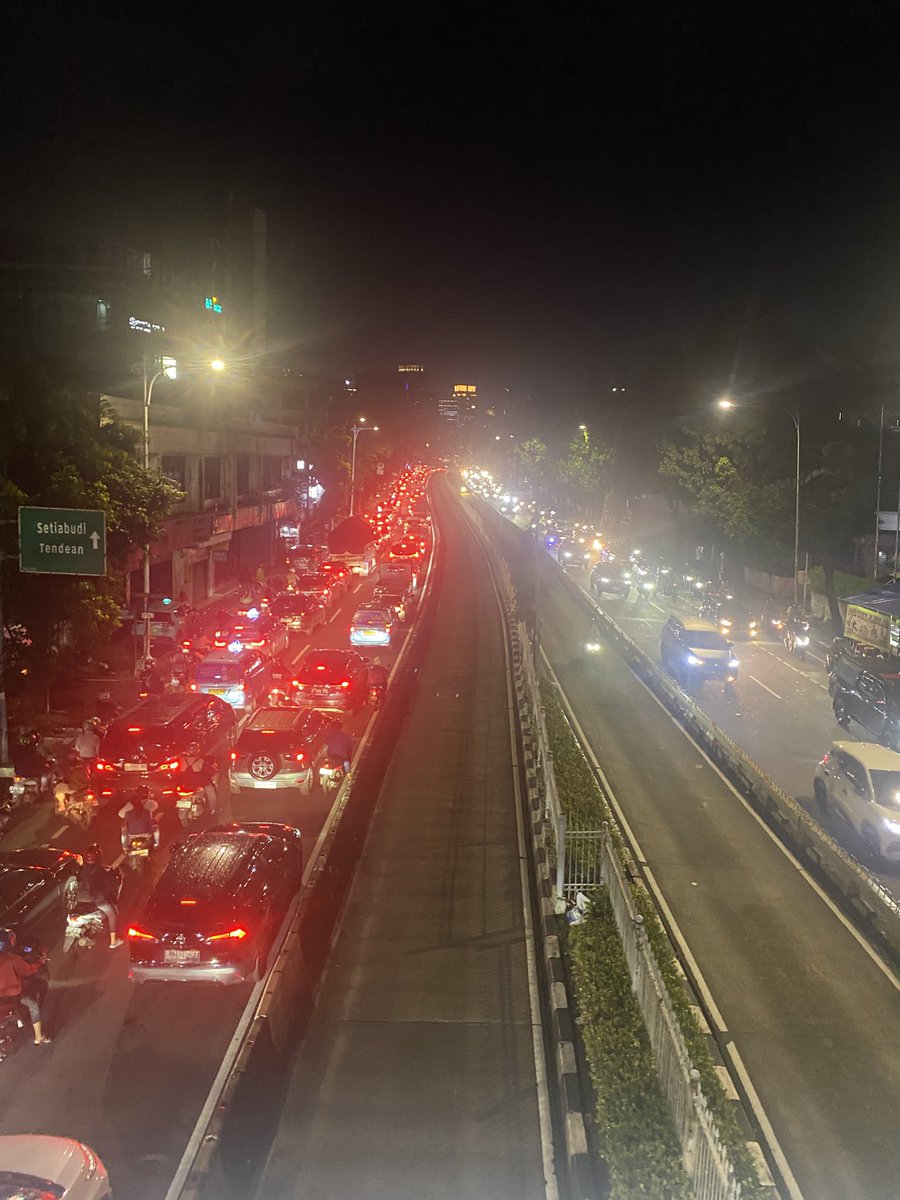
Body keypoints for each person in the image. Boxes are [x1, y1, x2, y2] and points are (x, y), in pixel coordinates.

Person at [0, 928, 50, 1045]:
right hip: (15, 995)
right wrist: (39, 963)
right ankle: (38, 1038)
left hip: (2, 998)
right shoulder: (13, 959)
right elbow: (28, 971)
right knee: (33, 1005)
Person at [76, 844, 123, 949]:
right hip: (96, 900)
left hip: (80, 899)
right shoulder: (100, 871)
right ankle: (113, 941)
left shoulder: (82, 869)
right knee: (112, 915)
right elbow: (110, 884)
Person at [181, 741, 219, 815]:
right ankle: (213, 810)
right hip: (199, 782)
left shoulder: (182, 760)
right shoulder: (200, 761)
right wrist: (214, 769)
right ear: (197, 750)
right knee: (210, 790)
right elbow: (210, 771)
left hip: (185, 783)